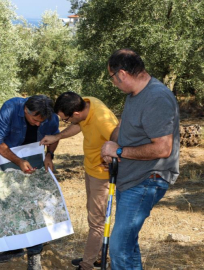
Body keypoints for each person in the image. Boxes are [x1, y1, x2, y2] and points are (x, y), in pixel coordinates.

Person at [101, 49, 180, 269]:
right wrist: (109, 149)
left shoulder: (157, 97)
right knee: (127, 243)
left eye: (112, 78)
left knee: (119, 247)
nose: (113, 83)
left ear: (122, 74)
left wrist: (118, 151)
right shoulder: (134, 95)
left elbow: (163, 148)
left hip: (147, 180)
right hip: (131, 178)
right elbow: (123, 129)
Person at [40, 92, 118, 270]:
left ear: (75, 114)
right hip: (90, 169)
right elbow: (79, 126)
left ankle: (87, 265)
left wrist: (115, 159)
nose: (65, 122)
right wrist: (57, 137)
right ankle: (99, 256)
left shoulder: (102, 120)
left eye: (65, 119)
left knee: (97, 222)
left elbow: (120, 139)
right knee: (92, 213)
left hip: (102, 175)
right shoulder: (87, 103)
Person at [0, 95, 60, 270]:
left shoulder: (50, 116)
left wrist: (50, 155)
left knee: (34, 206)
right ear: (25, 110)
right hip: (6, 159)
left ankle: (34, 254)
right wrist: (19, 161)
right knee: (6, 204)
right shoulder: (10, 108)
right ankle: (13, 248)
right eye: (35, 120)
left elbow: (54, 137)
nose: (38, 125)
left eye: (41, 122)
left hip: (34, 161)